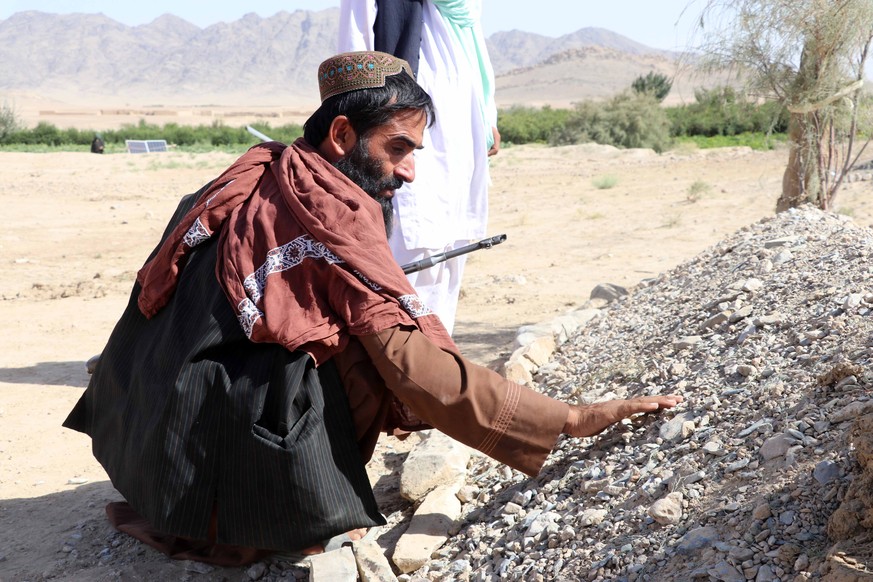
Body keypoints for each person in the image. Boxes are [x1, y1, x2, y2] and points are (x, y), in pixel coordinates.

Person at [63, 51, 682, 566]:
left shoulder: (259, 170)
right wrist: (565, 420)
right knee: (365, 346)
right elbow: (414, 365)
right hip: (210, 440)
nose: (409, 171)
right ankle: (291, 512)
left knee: (344, 324)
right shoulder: (332, 208)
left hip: (151, 437)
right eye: (398, 148)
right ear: (341, 136)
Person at [339, 0, 500, 335]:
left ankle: (437, 358)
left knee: (452, 249)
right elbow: (354, 51)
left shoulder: (460, 7)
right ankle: (403, 362)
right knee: (411, 242)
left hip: (460, 134)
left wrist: (487, 116)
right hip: (405, 129)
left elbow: (474, 51)